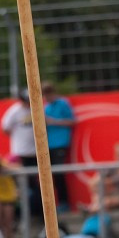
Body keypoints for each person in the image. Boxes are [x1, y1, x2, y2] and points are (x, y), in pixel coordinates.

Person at [42, 80, 76, 209]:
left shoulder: (63, 103)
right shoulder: (46, 107)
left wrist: (53, 121)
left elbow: (71, 121)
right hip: (48, 145)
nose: (46, 98)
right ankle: (53, 204)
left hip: (60, 142)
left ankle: (64, 203)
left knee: (59, 174)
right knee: (51, 175)